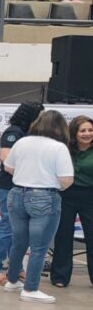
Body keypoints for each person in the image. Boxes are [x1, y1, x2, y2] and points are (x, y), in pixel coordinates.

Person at [2, 110, 73, 304]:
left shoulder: (22, 142)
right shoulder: (58, 148)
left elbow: (8, 167)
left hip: (17, 194)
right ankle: (30, 288)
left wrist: (27, 174)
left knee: (19, 242)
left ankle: (12, 279)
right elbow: (66, 179)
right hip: (44, 197)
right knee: (39, 247)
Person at [0, 102, 43, 285]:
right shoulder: (14, 132)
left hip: (24, 186)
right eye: (39, 116)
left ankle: (16, 267)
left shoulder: (31, 135)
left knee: (20, 229)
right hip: (8, 186)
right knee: (7, 227)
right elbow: (5, 158)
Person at [50, 115, 93, 288]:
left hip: (90, 196)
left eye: (90, 130)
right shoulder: (64, 150)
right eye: (83, 130)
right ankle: (60, 276)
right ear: (74, 133)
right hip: (66, 196)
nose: (87, 134)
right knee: (63, 236)